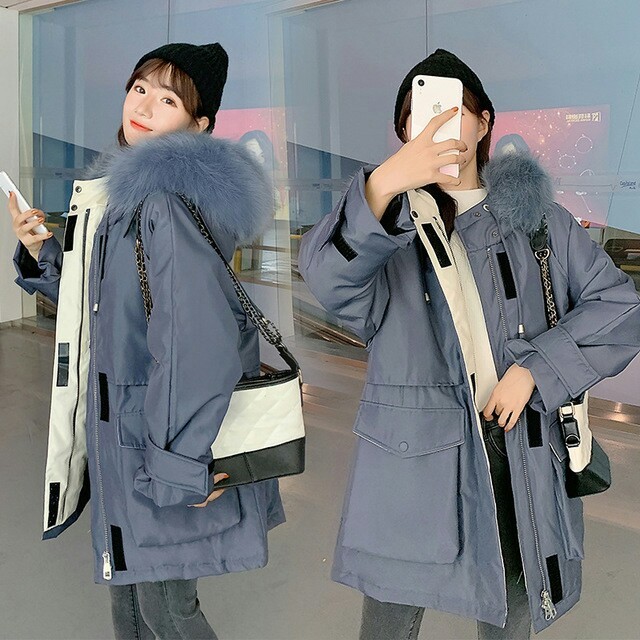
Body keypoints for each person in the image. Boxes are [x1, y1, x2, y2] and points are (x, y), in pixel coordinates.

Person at [298, 49, 640, 639]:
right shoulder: (387, 225)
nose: (437, 124)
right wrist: (385, 184)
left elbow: (621, 307)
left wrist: (535, 370)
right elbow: (328, 279)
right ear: (404, 133)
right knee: (388, 624)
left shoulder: (539, 221)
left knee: (510, 612)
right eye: (420, 113)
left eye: (454, 110)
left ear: (484, 124)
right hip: (410, 461)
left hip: (515, 450)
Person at [9, 42, 282, 640]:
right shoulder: (127, 195)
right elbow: (107, 307)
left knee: (166, 614)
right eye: (140, 88)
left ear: (199, 124)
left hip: (155, 442)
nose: (145, 106)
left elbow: (196, 345)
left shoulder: (164, 201)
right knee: (134, 608)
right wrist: (43, 255)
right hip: (130, 438)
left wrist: (178, 462)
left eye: (168, 100)